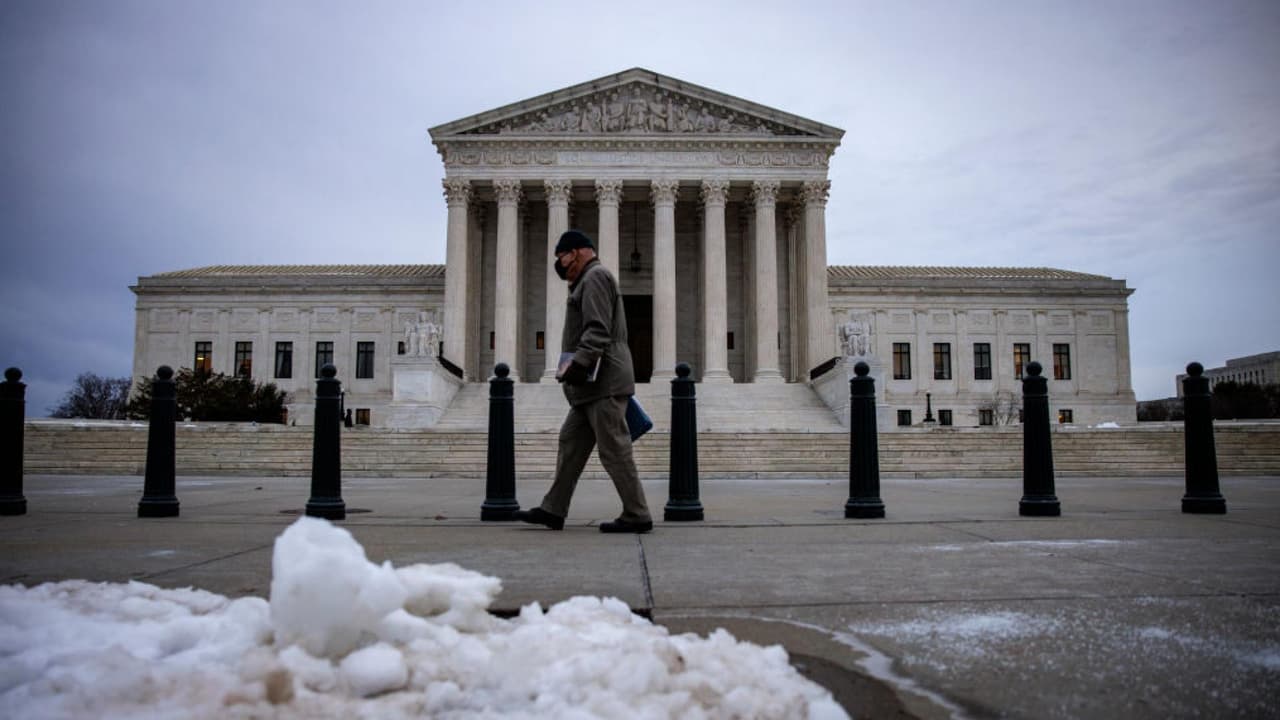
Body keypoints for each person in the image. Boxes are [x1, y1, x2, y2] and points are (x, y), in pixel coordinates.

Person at [514, 230, 653, 533]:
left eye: (561, 257)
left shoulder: (594, 277)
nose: (560, 265)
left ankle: (637, 513)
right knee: (570, 444)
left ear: (575, 252)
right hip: (589, 386)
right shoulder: (586, 280)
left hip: (603, 380)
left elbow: (598, 329)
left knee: (614, 448)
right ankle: (553, 509)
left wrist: (579, 364)